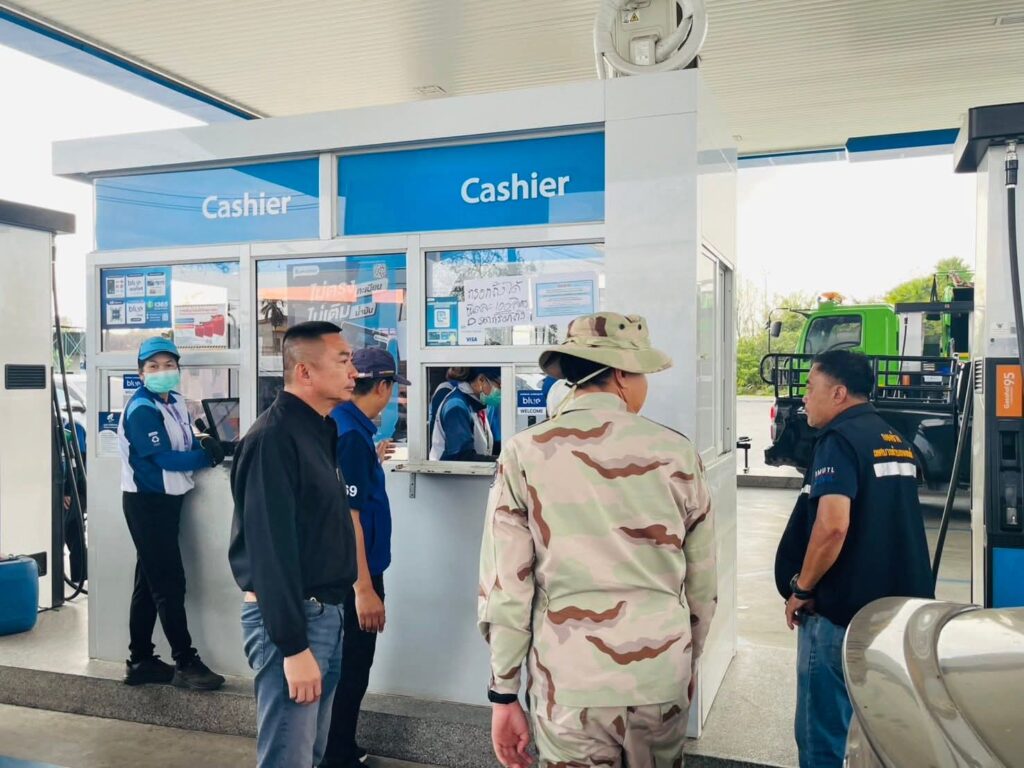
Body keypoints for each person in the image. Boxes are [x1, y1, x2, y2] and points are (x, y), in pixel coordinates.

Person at [478, 313, 717, 768]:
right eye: (642, 373)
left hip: (570, 683)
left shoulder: (525, 453)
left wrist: (503, 692)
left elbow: (507, 586)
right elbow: (703, 583)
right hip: (660, 675)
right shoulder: (677, 452)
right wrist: (689, 660)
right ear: (622, 374)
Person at [774, 350, 934, 768]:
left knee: (822, 737)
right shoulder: (892, 439)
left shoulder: (838, 441)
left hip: (839, 615)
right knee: (869, 735)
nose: (804, 397)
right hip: (890, 615)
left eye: (811, 387)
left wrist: (802, 587)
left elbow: (833, 525)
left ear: (839, 393)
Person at [229, 321, 359, 768]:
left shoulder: (320, 429)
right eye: (343, 361)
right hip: (294, 620)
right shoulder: (274, 439)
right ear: (304, 371)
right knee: (288, 756)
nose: (354, 372)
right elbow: (270, 550)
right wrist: (292, 646)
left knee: (310, 754)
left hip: (325, 614)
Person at [117, 337, 226, 690]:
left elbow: (187, 439)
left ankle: (140, 660)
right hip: (147, 503)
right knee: (168, 583)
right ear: (141, 373)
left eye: (168, 365)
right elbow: (164, 458)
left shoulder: (175, 401)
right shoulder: (141, 409)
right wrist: (207, 456)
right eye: (153, 366)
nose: (162, 371)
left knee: (149, 581)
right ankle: (185, 662)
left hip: (169, 501)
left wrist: (204, 441)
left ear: (178, 369)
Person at [321, 348, 411, 768]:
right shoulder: (352, 435)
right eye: (391, 388)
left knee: (345, 664)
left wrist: (372, 459)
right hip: (357, 574)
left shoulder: (344, 425)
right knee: (353, 665)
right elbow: (350, 517)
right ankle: (336, 752)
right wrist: (364, 589)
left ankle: (335, 746)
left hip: (346, 568)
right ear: (383, 387)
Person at [429, 367, 501, 461]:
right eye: (499, 386)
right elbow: (461, 457)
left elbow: (485, 445)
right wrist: (502, 461)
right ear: (481, 380)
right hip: (449, 470)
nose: (500, 392)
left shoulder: (476, 405)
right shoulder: (456, 406)